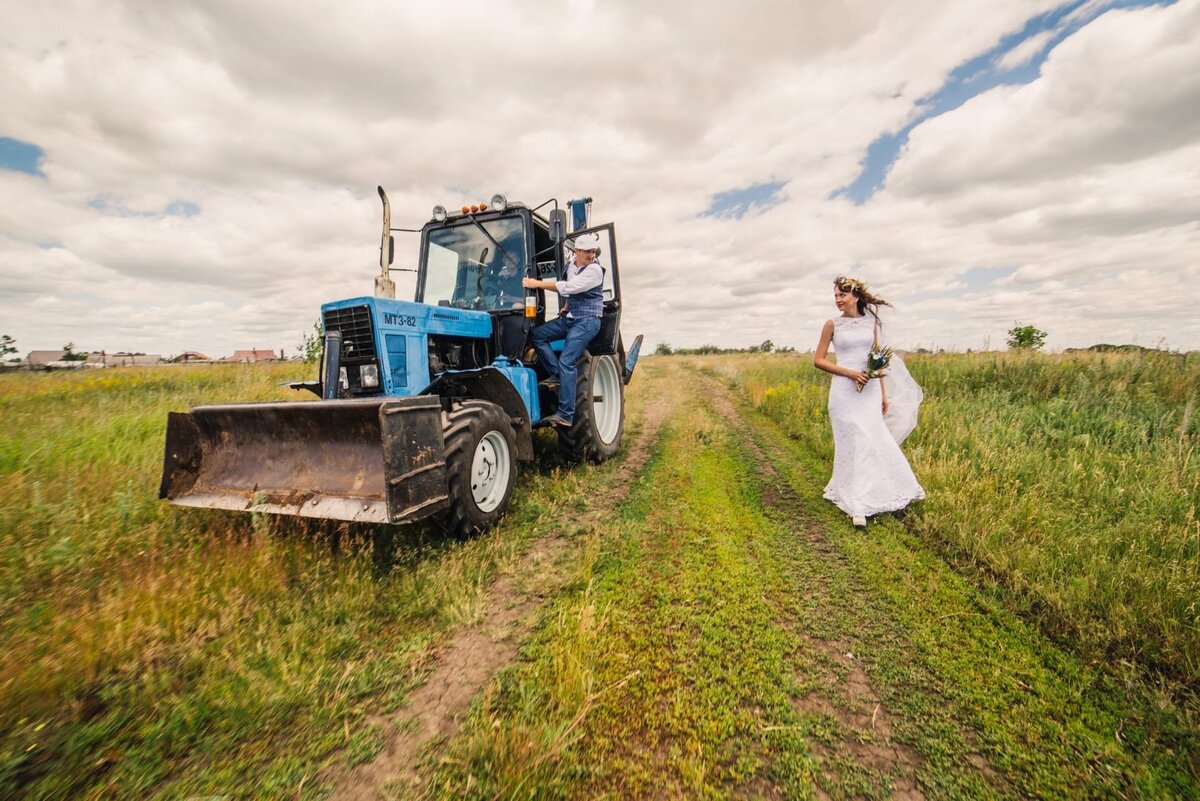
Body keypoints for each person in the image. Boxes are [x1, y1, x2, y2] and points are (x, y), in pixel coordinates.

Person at [813, 276, 925, 527]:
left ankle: (884, 490)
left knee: (871, 439)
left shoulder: (870, 323)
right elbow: (818, 360)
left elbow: (878, 359)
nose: (837, 300)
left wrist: (883, 393)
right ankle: (858, 505)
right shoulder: (831, 324)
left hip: (870, 390)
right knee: (851, 442)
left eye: (842, 295)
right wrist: (851, 373)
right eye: (835, 296)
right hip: (843, 390)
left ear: (855, 296)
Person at [522, 232, 605, 427]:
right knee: (537, 335)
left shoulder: (595, 270)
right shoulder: (570, 266)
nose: (591, 256)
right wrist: (567, 305)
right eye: (587, 252)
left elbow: (569, 287)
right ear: (576, 251)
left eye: (593, 252)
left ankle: (565, 414)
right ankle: (557, 374)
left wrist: (536, 284)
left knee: (568, 360)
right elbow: (572, 290)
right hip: (571, 318)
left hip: (587, 321)